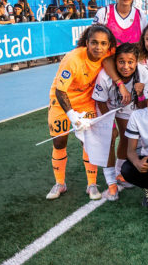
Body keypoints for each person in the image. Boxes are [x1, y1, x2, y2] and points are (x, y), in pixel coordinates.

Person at [46, 25, 116, 200]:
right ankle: (60, 183)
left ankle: (91, 184)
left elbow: (129, 52)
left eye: (103, 43)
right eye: (94, 43)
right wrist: (72, 116)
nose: (98, 47)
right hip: (61, 102)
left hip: (86, 102)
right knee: (59, 142)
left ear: (109, 45)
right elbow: (60, 91)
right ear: (87, 42)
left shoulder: (109, 53)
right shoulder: (73, 59)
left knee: (88, 142)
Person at [92, 42, 148, 201]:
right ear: (115, 62)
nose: (126, 66)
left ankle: (119, 173)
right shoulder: (105, 76)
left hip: (127, 107)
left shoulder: (143, 73)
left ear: (136, 62)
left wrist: (140, 94)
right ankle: (111, 184)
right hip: (107, 107)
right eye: (121, 62)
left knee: (127, 137)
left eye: (130, 62)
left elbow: (143, 107)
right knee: (109, 139)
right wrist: (111, 126)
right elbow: (100, 102)